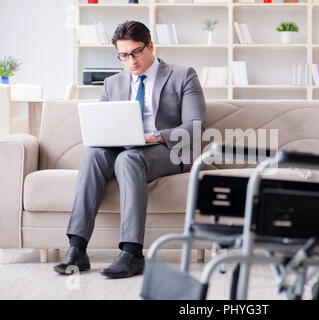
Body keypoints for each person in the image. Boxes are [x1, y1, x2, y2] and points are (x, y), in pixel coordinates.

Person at [54, 20, 206, 279]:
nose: (131, 60)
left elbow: (196, 126)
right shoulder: (112, 83)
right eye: (123, 55)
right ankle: (77, 248)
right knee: (93, 155)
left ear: (150, 46)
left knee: (129, 159)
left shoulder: (183, 75)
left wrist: (154, 136)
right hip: (124, 146)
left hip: (168, 149)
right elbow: (102, 126)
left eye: (136, 52)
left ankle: (132, 253)